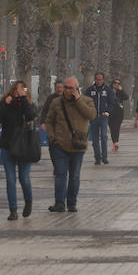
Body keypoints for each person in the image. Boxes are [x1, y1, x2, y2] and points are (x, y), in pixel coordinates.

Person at [44, 76, 96, 213]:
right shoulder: (56, 102)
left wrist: (78, 100)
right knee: (60, 174)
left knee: (74, 176)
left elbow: (91, 115)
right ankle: (59, 203)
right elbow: (49, 121)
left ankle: (72, 203)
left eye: (70, 88)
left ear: (76, 89)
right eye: (65, 87)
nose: (67, 90)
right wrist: (52, 137)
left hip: (78, 145)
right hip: (59, 145)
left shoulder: (86, 101)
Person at [0, 81, 39, 220]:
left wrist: (23, 98)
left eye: (21, 89)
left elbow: (31, 116)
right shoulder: (6, 103)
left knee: (24, 178)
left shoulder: (28, 103)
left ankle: (28, 202)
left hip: (24, 146)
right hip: (8, 146)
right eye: (16, 89)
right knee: (10, 180)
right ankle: (13, 210)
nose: (18, 92)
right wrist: (5, 104)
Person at [84, 72, 115, 165]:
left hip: (103, 116)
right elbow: (85, 102)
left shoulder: (108, 90)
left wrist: (107, 112)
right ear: (95, 79)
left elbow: (111, 103)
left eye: (100, 79)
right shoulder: (90, 90)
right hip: (93, 117)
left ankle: (104, 157)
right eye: (97, 79)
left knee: (104, 137)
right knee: (95, 138)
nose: (99, 81)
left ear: (103, 80)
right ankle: (97, 157)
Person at [39, 80, 64, 177]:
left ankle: (61, 167)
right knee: (52, 148)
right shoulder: (50, 98)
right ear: (55, 88)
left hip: (64, 129)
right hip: (52, 127)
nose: (59, 89)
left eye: (61, 87)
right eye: (58, 87)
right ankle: (56, 166)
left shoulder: (67, 98)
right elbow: (44, 111)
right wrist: (43, 123)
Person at [108, 78, 129, 151]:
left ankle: (115, 143)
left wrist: (121, 90)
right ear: (112, 83)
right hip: (110, 112)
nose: (116, 84)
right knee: (112, 128)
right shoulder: (108, 91)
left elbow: (126, 97)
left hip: (119, 113)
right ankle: (115, 142)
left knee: (116, 128)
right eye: (115, 83)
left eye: (118, 83)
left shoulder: (120, 92)